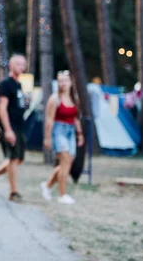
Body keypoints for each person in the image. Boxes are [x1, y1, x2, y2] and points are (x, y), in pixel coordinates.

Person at [40, 70, 84, 205]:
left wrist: (80, 134)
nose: (63, 83)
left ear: (71, 82)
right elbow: (49, 120)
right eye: (60, 81)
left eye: (65, 80)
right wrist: (47, 138)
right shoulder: (55, 99)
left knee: (68, 162)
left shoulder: (74, 98)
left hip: (71, 131)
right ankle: (62, 194)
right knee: (64, 161)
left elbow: (76, 118)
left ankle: (47, 186)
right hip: (58, 130)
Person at [0, 54, 28, 202]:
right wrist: (8, 129)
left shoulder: (19, 85)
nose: (21, 67)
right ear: (11, 66)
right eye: (18, 64)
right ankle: (13, 192)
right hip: (10, 126)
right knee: (12, 158)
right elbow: (2, 108)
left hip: (19, 125)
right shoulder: (6, 84)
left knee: (19, 159)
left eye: (23, 64)